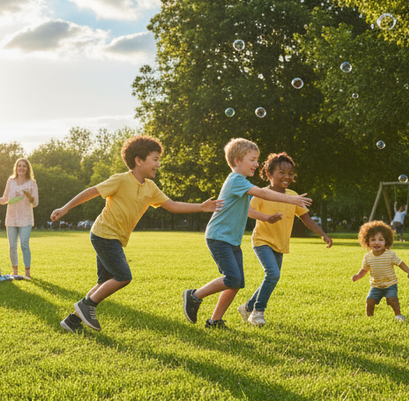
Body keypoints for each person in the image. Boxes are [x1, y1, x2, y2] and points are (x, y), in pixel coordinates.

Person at [50, 135, 221, 333]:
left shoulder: (150, 187)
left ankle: (72, 320)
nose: (158, 164)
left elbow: (172, 206)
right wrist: (65, 208)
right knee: (123, 276)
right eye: (155, 159)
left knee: (105, 282)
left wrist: (201, 207)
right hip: (105, 234)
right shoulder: (121, 180)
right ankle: (86, 306)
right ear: (138, 160)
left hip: (114, 238)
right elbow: (92, 191)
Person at [183, 138, 312, 329]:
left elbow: (249, 209)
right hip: (219, 237)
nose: (257, 164)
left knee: (236, 282)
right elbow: (264, 193)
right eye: (252, 159)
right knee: (232, 278)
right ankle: (194, 295)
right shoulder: (236, 180)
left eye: (257, 159)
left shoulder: (242, 183)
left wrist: (266, 218)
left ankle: (214, 321)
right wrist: (291, 199)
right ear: (237, 161)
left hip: (231, 239)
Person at [240, 152, 332, 326]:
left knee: (272, 277)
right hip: (262, 241)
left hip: (280, 243)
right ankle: (257, 312)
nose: (287, 177)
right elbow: (249, 211)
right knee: (273, 274)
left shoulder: (293, 195)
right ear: (269, 174)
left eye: (290, 173)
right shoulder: (260, 194)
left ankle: (247, 307)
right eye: (281, 172)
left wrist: (323, 234)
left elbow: (306, 218)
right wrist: (266, 218)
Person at [351, 220, 409, 321]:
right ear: (367, 242)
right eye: (373, 239)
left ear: (386, 241)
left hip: (390, 284)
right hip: (375, 285)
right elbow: (364, 269)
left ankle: (398, 315)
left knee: (392, 300)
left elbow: (400, 263)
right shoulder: (367, 257)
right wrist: (358, 275)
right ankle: (369, 317)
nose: (377, 242)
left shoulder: (390, 254)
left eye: (380, 240)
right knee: (370, 300)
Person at [0, 158, 38, 279]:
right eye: (19, 166)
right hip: (11, 217)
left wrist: (29, 196)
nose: (21, 168)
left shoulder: (32, 183)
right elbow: (5, 199)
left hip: (25, 218)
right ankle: (14, 271)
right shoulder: (11, 181)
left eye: (24, 166)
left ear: (27, 168)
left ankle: (27, 273)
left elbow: (35, 203)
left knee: (24, 244)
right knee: (12, 246)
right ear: (16, 168)